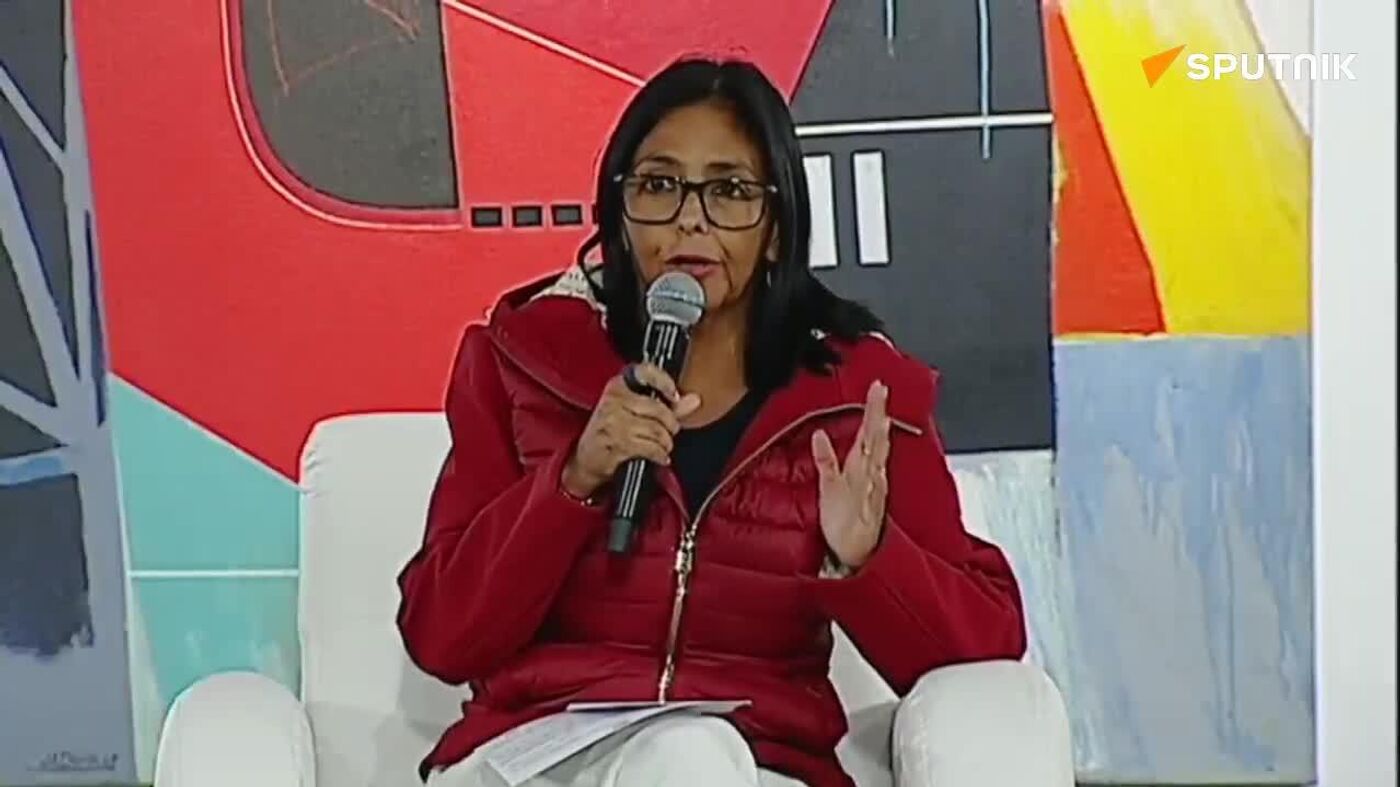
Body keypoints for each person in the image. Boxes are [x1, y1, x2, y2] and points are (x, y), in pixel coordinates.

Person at [396, 57, 1027, 787]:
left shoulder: (859, 401)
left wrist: (868, 557)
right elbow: (441, 637)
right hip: (539, 757)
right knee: (685, 755)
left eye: (729, 191)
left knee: (690, 753)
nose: (690, 219)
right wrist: (573, 479)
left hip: (752, 763)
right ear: (619, 214)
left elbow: (986, 645)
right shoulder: (521, 364)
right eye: (659, 185)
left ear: (777, 230)